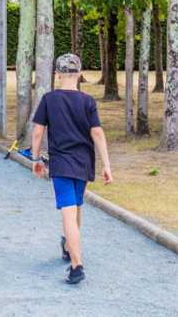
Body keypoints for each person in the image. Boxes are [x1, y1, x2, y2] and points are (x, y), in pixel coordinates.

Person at [30, 53, 113, 284]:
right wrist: (106, 165)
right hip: (84, 162)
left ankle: (77, 266)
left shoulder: (49, 99)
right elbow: (97, 133)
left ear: (57, 74)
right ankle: (68, 246)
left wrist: (35, 159)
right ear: (79, 74)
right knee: (76, 208)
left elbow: (38, 131)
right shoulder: (88, 101)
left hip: (62, 163)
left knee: (68, 212)